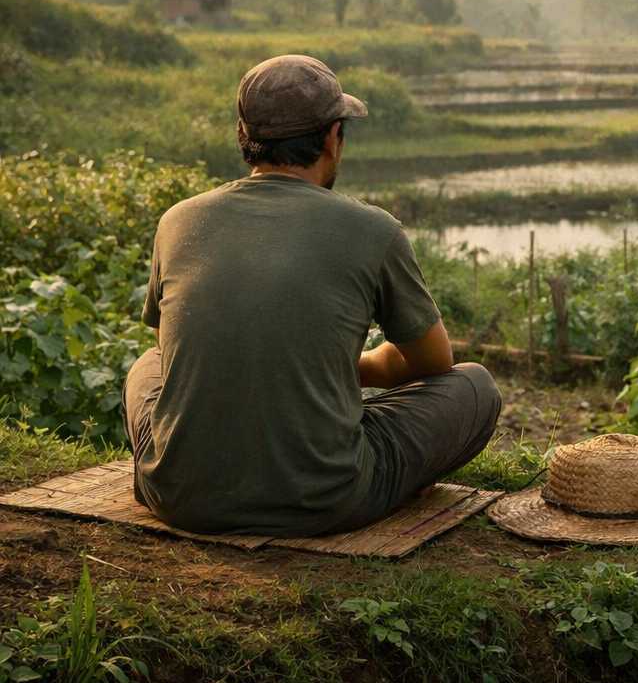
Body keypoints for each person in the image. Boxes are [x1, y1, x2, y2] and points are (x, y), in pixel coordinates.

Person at [122, 54, 501, 537]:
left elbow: (168, 349)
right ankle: (400, 478)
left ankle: (187, 473)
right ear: (331, 138)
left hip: (179, 498)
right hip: (327, 499)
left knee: (145, 368)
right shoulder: (373, 229)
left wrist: (309, 358)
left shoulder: (178, 220)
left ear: (244, 136)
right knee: (475, 386)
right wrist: (333, 362)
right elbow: (433, 363)